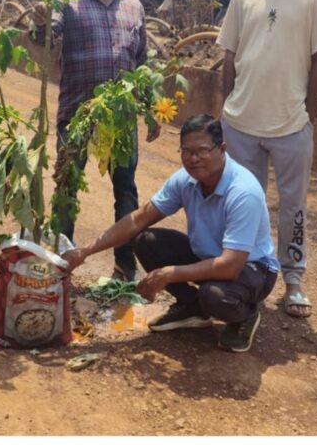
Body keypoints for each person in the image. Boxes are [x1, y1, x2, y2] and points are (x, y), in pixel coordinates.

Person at [65, 115, 282, 354]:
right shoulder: (185, 180)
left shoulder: (243, 192)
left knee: (216, 296)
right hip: (209, 257)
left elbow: (230, 266)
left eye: (202, 151)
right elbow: (139, 218)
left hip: (252, 268)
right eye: (186, 151)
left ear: (222, 149)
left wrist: (170, 273)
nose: (194, 159)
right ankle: (192, 307)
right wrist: (86, 251)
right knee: (146, 241)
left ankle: (245, 315)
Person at [216, 0, 317, 315]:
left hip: (290, 125)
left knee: (293, 205)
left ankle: (295, 278)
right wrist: (225, 107)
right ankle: (241, 268)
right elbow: (229, 54)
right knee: (239, 201)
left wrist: (307, 112)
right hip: (240, 122)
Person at [48, 0, 152, 277]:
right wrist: (37, 22)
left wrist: (149, 109)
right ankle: (61, 262)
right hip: (76, 114)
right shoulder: (67, 2)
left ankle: (125, 262)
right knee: (67, 186)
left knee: (126, 189)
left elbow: (141, 62)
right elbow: (46, 38)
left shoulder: (134, 6)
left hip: (120, 119)